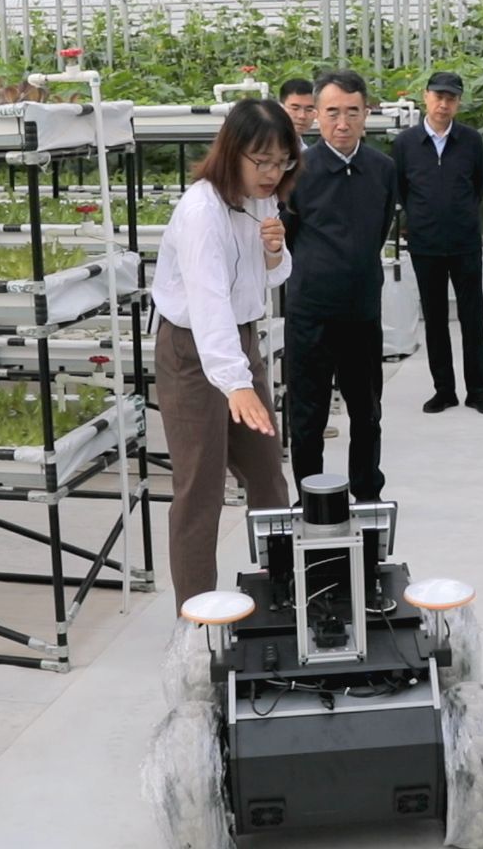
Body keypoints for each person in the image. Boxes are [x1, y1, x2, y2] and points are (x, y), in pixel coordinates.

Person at [153, 98, 298, 608]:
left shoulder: (262, 200)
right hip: (192, 352)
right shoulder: (201, 211)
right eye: (262, 161)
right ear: (232, 152)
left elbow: (269, 278)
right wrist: (236, 383)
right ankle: (198, 620)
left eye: (282, 162)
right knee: (201, 487)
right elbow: (208, 303)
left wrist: (274, 251)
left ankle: (284, 593)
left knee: (267, 475)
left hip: (239, 342)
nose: (272, 173)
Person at [283, 70, 397, 505]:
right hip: (310, 312)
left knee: (366, 412)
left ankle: (367, 495)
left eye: (353, 112)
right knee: (307, 414)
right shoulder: (298, 171)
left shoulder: (382, 169)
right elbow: (288, 237)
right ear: (317, 115)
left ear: (366, 114)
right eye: (332, 112)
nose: (343, 123)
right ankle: (311, 499)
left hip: (362, 312)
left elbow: (380, 229)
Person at [393, 70, 483, 415]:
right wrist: (421, 219)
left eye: (451, 98)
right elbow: (402, 189)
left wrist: (460, 215)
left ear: (458, 103)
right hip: (425, 245)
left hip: (465, 242)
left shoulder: (470, 141)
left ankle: (477, 391)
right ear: (426, 97)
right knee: (435, 319)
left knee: (472, 318)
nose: (443, 104)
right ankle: (444, 390)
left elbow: (479, 183)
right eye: (438, 96)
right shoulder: (406, 143)